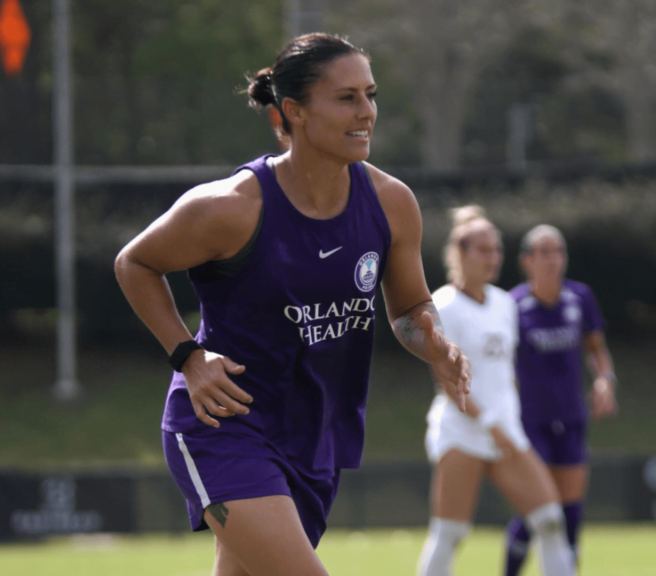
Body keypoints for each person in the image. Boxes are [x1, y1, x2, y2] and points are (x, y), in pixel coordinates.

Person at [114, 33, 471, 576]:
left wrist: (436, 343)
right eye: (346, 98)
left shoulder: (391, 203)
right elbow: (134, 264)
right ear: (294, 112)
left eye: (371, 95)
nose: (367, 112)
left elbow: (409, 309)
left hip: (313, 435)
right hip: (223, 428)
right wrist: (189, 356)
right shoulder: (230, 208)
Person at [418, 207, 577, 576]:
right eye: (483, 250)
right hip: (463, 432)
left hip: (506, 433)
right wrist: (490, 422)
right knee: (450, 533)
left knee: (551, 521)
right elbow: (446, 380)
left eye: (496, 249)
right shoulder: (443, 305)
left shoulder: (506, 304)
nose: (493, 258)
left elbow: (507, 372)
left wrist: (509, 419)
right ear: (460, 253)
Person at [503, 225, 619, 575]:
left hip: (571, 417)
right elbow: (502, 364)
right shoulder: (512, 305)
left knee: (570, 512)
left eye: (559, 251)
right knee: (535, 511)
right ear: (527, 261)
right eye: (545, 252)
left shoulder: (579, 297)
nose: (554, 260)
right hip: (530, 422)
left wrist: (605, 381)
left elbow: (597, 350)